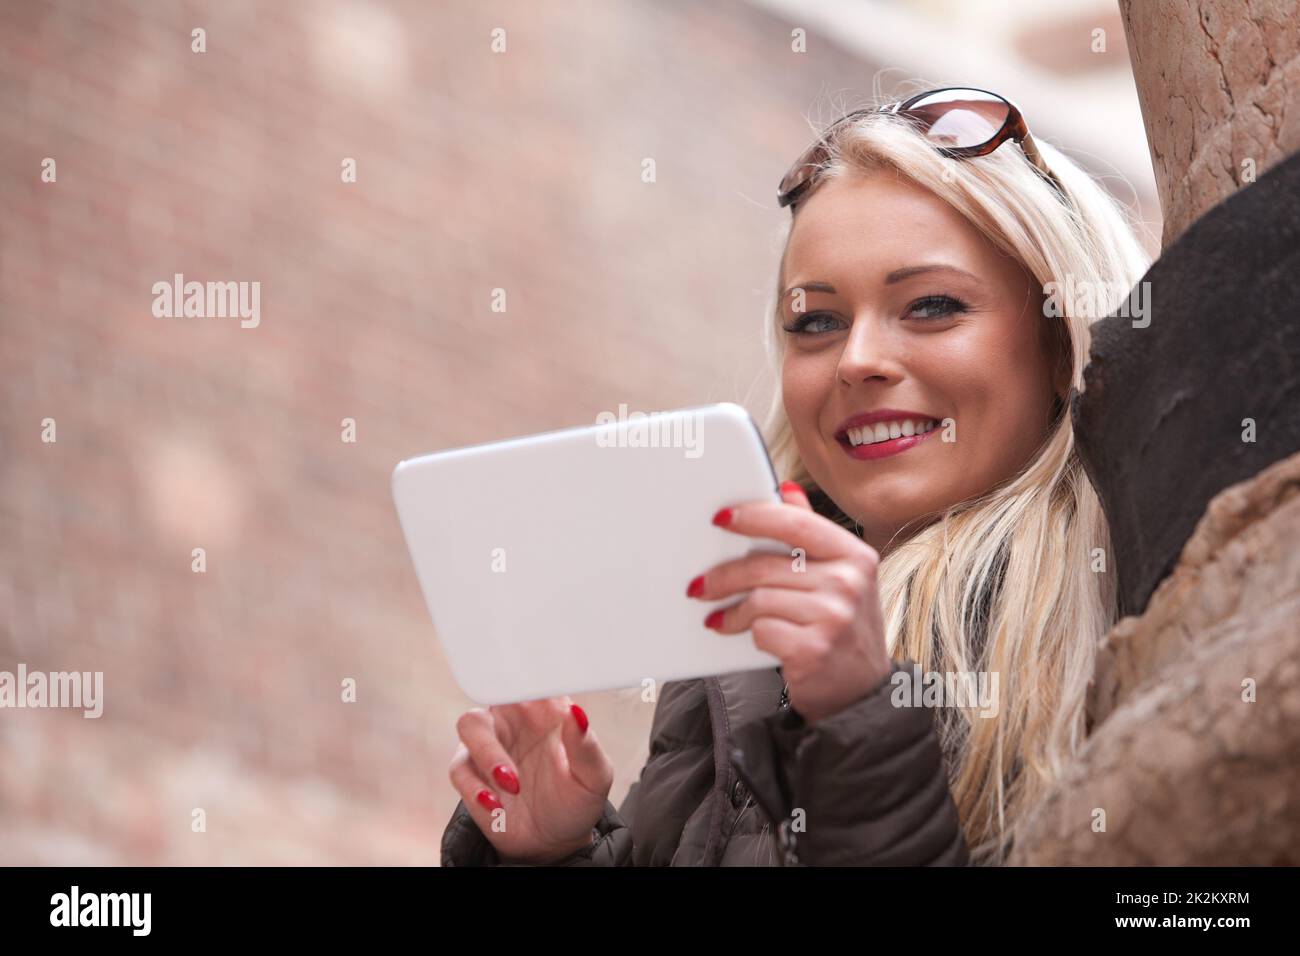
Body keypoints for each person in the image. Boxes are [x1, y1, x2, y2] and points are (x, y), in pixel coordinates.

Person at [440, 86, 1151, 866]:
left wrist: (859, 725)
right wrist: (552, 853)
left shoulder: (1158, 621)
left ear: (1063, 344)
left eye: (931, 306)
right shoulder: (736, 648)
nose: (857, 361)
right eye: (817, 321)